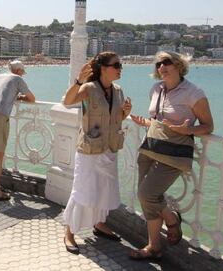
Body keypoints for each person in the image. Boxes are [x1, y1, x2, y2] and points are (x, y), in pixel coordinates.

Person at [129, 51, 214, 260]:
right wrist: (146, 123)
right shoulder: (155, 89)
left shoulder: (194, 93)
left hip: (174, 153)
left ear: (178, 65)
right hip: (151, 147)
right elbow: (159, 121)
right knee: (146, 197)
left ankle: (172, 219)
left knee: (147, 195)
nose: (161, 67)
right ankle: (154, 247)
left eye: (166, 62)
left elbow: (209, 126)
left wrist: (187, 131)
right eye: (158, 63)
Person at [62, 52, 132, 255]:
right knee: (82, 190)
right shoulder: (89, 88)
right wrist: (78, 81)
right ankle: (69, 232)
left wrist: (125, 112)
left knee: (105, 189)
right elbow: (68, 101)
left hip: (110, 148)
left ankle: (100, 224)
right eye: (116, 65)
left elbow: (116, 117)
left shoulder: (118, 91)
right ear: (103, 68)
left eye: (121, 64)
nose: (120, 68)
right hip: (90, 150)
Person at [0, 60, 35, 201]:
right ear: (18, 71)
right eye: (23, 72)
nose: (23, 75)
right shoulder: (17, 79)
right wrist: (21, 97)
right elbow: (32, 98)